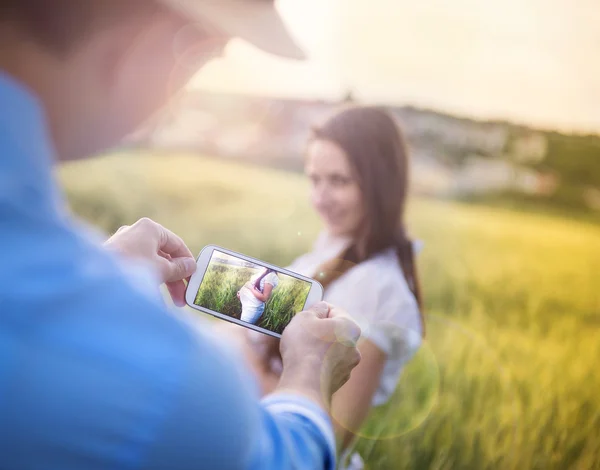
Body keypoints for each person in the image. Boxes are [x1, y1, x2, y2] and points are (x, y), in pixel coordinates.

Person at [0, 2, 362, 470]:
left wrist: (101, 277)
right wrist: (310, 371)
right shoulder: (174, 384)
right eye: (206, 54)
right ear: (143, 49)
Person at [244, 106, 425, 467]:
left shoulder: (380, 290)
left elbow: (331, 437)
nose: (320, 198)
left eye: (339, 181)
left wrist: (230, 363)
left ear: (380, 185)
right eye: (315, 179)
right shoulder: (327, 252)